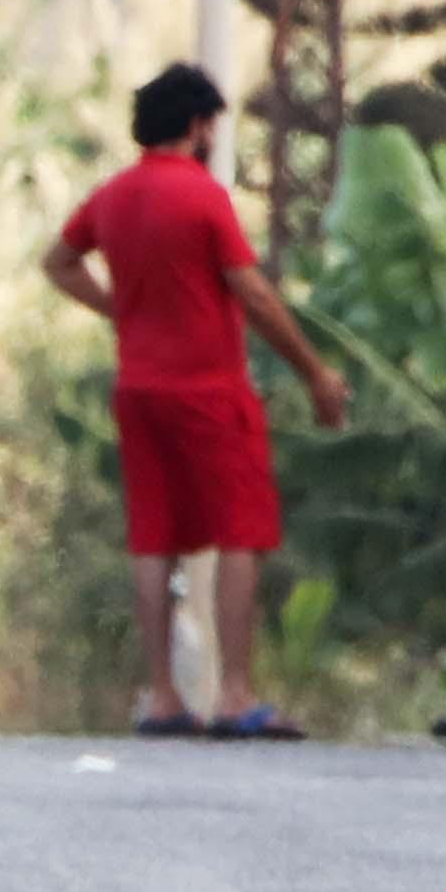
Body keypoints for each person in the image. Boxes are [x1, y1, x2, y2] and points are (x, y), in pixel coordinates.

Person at [43, 62, 354, 741]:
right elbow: (254, 292)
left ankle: (161, 696)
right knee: (239, 530)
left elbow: (58, 263)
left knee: (154, 536)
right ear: (198, 125)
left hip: (139, 389)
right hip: (210, 390)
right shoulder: (203, 196)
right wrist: (314, 372)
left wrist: (120, 311)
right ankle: (235, 694)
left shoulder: (112, 198)